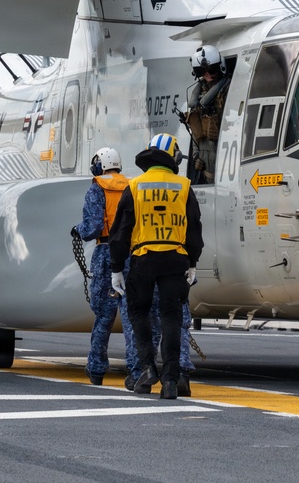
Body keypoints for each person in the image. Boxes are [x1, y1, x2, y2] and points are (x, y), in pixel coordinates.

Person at [109, 133, 203, 400]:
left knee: (138, 312)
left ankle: (148, 368)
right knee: (171, 317)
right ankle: (171, 381)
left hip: (143, 258)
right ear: (173, 157)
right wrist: (193, 262)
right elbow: (194, 228)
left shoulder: (135, 185)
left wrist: (116, 268)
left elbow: (121, 230)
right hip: (175, 258)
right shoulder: (184, 186)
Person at [72, 147, 139, 387]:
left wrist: (77, 229)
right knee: (132, 315)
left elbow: (92, 227)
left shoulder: (97, 187)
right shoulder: (134, 186)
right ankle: (136, 369)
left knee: (104, 315)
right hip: (133, 253)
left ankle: (97, 367)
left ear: (99, 164)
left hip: (105, 253)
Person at [184, 45, 230, 184]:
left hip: (223, 151)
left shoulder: (228, 89)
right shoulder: (199, 95)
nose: (209, 74)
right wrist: (196, 154)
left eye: (212, 70)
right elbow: (195, 130)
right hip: (205, 155)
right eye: (203, 71)